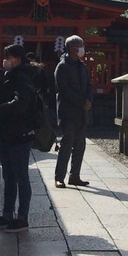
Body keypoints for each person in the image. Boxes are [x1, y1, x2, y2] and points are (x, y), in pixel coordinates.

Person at [0, 43, 39, 233]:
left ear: (18, 59)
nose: (5, 60)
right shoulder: (10, 75)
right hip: (8, 130)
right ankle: (7, 215)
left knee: (20, 176)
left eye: (9, 57)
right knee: (8, 176)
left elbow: (21, 104)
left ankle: (22, 217)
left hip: (20, 132)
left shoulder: (22, 76)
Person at [53, 35, 92, 188]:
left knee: (80, 146)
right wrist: (82, 102)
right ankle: (59, 177)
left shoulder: (82, 66)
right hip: (68, 111)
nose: (83, 48)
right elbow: (63, 90)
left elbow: (89, 85)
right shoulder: (62, 66)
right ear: (73, 48)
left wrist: (89, 99)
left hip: (82, 112)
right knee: (66, 145)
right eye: (80, 46)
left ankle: (75, 176)